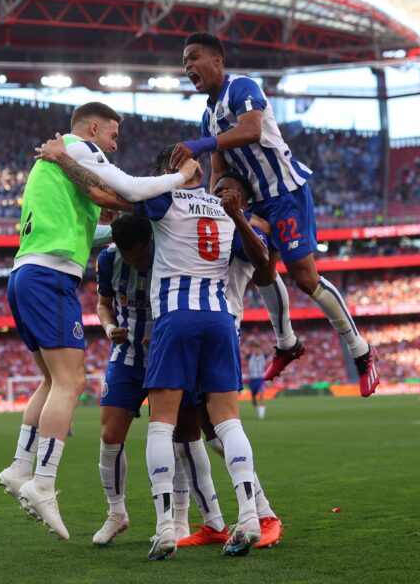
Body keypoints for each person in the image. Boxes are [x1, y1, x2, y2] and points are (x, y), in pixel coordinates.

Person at [0, 102, 201, 540]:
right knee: (71, 383)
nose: (114, 146)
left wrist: (126, 220)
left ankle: (19, 467)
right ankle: (44, 483)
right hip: (51, 277)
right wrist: (181, 180)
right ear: (94, 128)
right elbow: (126, 185)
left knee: (51, 382)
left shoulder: (56, 171)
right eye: (113, 137)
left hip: (25, 273)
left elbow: (95, 230)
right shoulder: (78, 148)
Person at [172, 31, 377, 393]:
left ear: (217, 61)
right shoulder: (208, 115)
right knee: (261, 269)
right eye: (185, 61)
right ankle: (286, 343)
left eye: (194, 57)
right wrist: (211, 206)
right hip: (255, 202)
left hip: (286, 193)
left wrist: (200, 145)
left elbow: (251, 131)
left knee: (305, 278)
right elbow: (219, 168)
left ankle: (360, 350)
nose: (187, 65)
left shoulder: (241, 87)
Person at [135, 145, 265, 560]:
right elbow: (262, 263)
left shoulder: (165, 197)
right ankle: (248, 517)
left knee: (161, 425)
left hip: (176, 316)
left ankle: (165, 529)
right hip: (220, 318)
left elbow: (123, 196)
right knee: (228, 422)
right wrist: (239, 214)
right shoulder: (223, 207)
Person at [171, 170, 283, 551]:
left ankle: (262, 513)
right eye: (216, 189)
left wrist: (238, 215)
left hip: (221, 327)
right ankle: (215, 522)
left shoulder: (246, 226)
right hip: (192, 325)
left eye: (228, 191)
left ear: (245, 201)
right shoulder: (207, 217)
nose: (219, 194)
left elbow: (265, 264)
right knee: (199, 430)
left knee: (222, 427)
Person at [90, 215, 155, 546]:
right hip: (126, 357)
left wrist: (160, 331)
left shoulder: (167, 252)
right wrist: (108, 328)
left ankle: (177, 518)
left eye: (139, 256)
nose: (135, 261)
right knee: (109, 434)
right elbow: (103, 305)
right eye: (128, 256)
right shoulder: (107, 259)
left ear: (148, 242)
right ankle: (117, 514)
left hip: (164, 356)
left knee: (177, 436)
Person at [247, 345, 268, 418]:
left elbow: (271, 350)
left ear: (260, 349)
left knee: (261, 395)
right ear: (253, 349)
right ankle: (256, 409)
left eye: (258, 349)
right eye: (255, 349)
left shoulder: (264, 356)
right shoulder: (249, 356)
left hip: (260, 379)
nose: (256, 351)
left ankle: (261, 416)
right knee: (253, 398)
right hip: (252, 379)